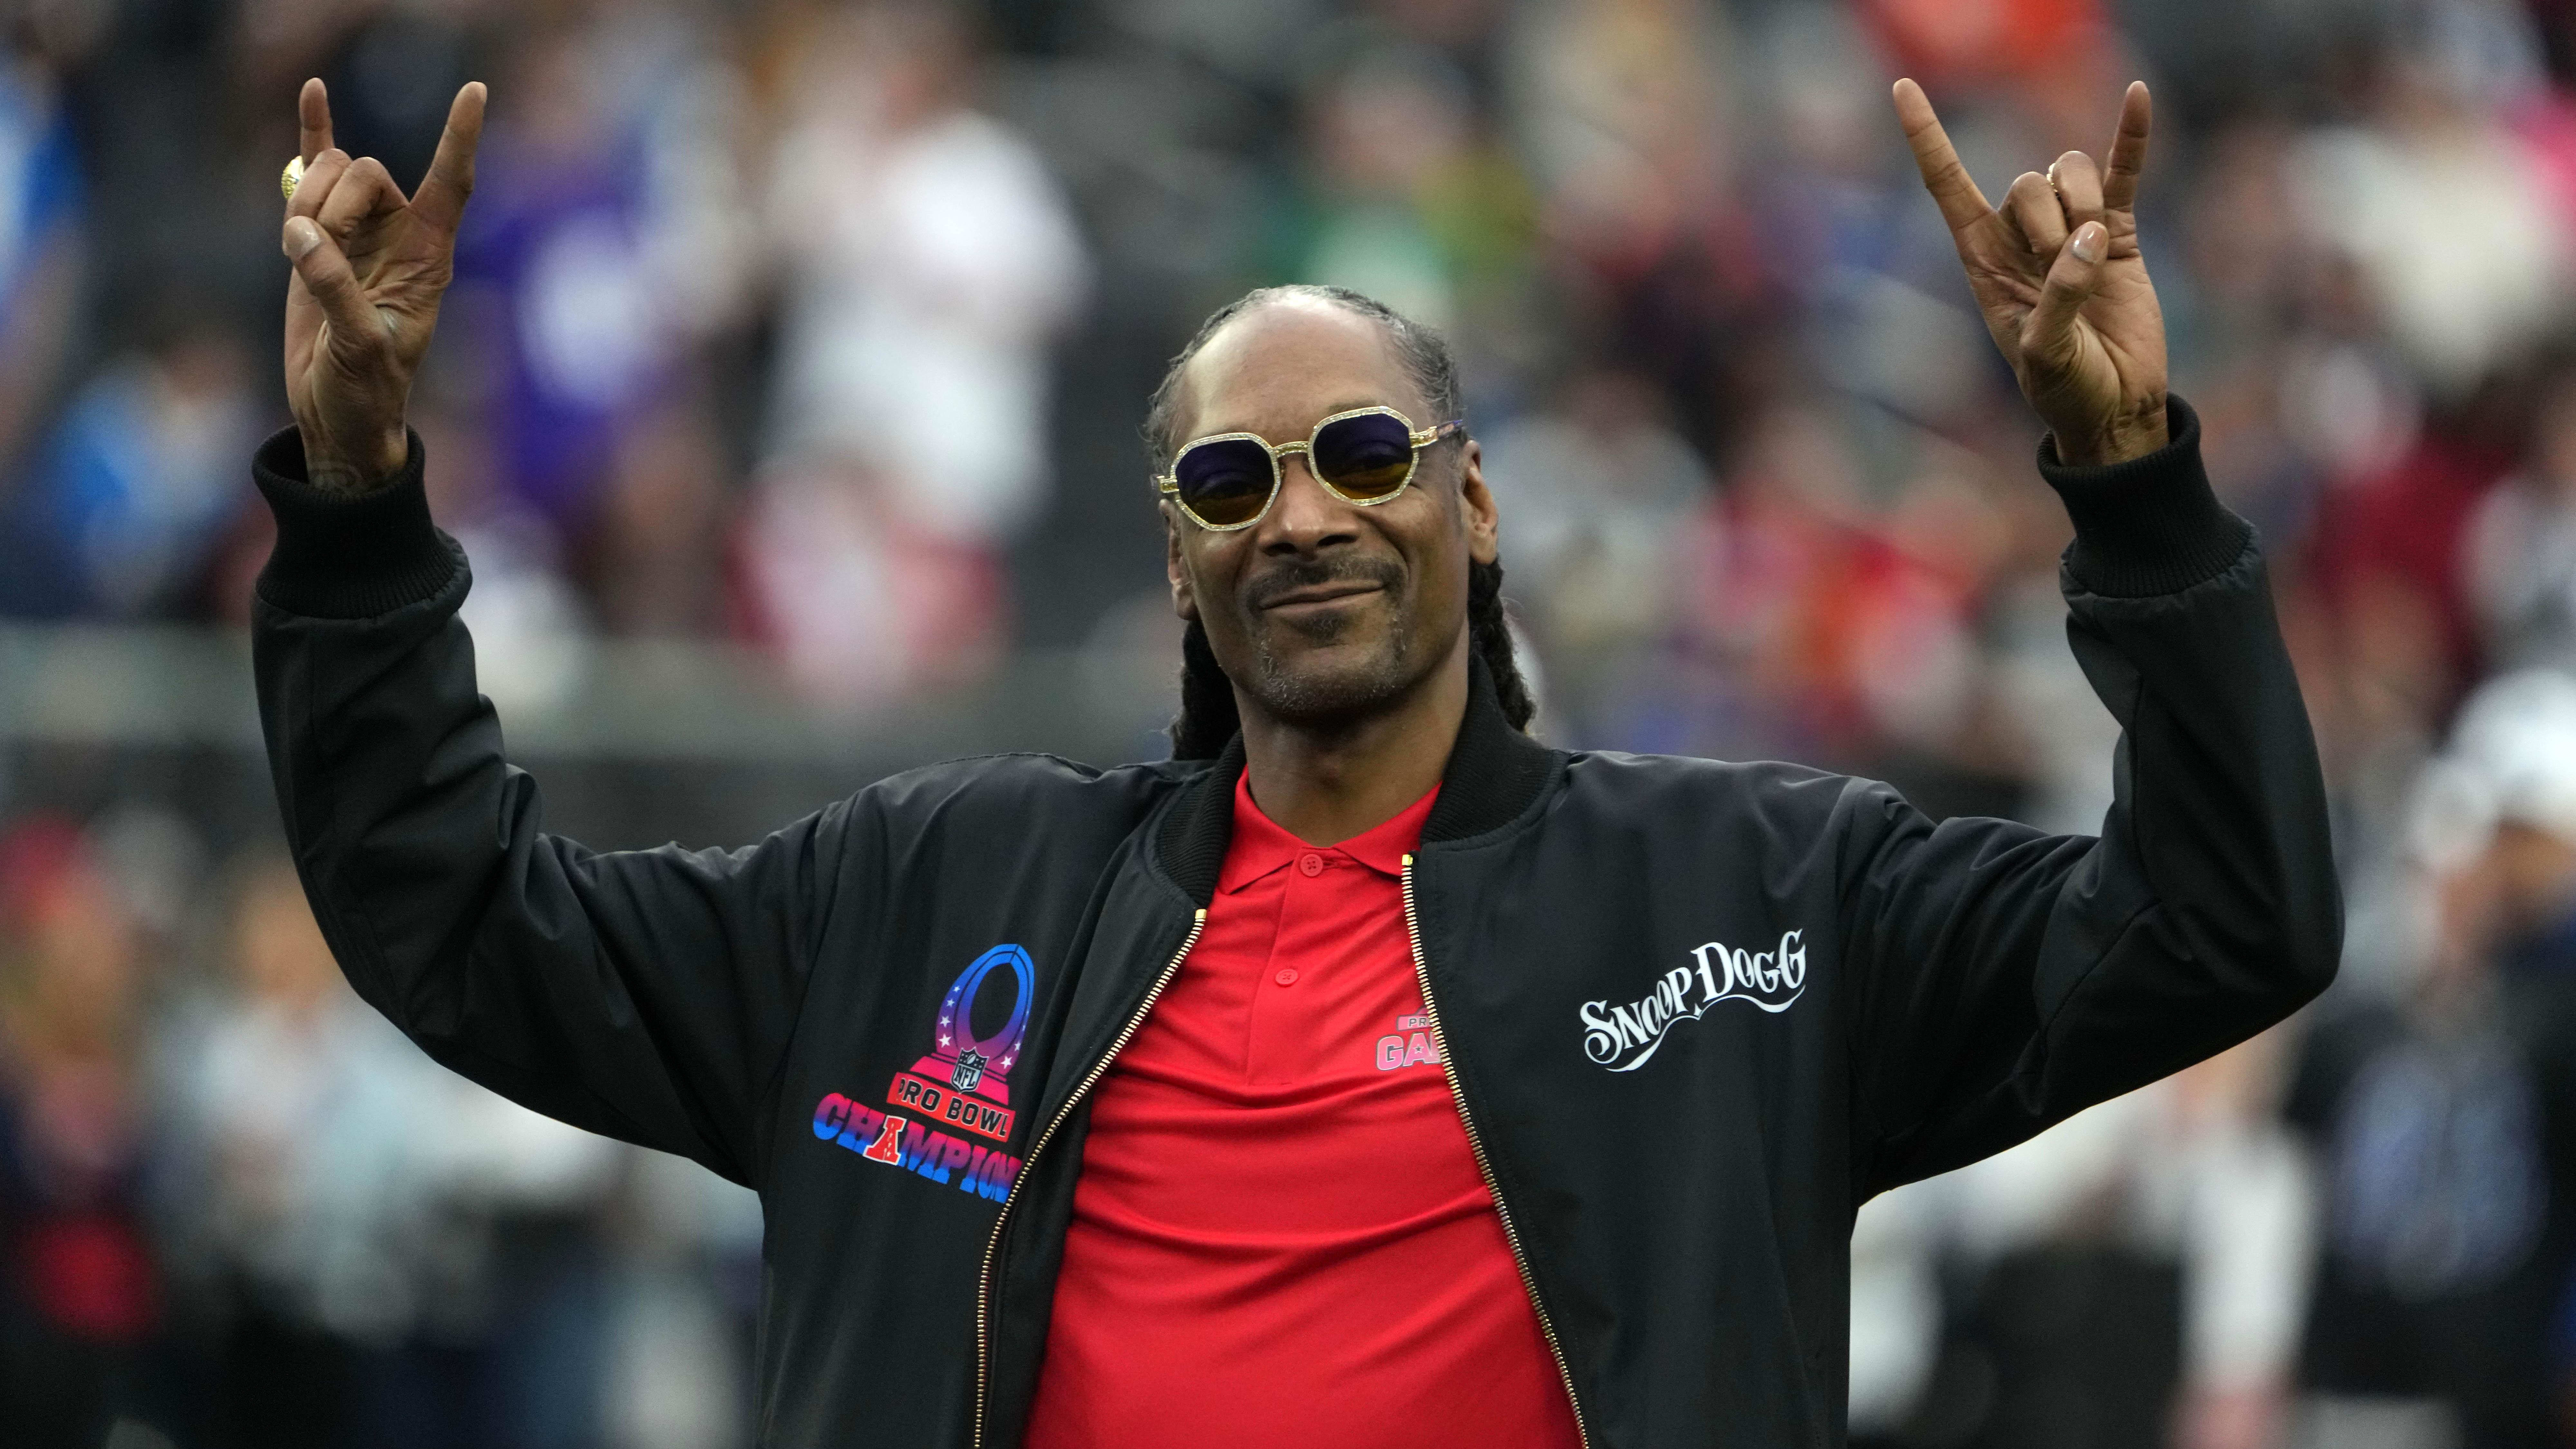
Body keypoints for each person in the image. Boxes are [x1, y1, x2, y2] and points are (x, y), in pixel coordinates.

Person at [247, 71, 2337, 1448]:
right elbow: (460, 917)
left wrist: (2127, 475)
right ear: (1174, 555)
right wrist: (354, 488)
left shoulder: (1754, 902)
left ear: (1478, 506)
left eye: (1360, 455)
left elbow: (2224, 923)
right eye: (1231, 479)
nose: (1302, 516)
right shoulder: (922, 898)